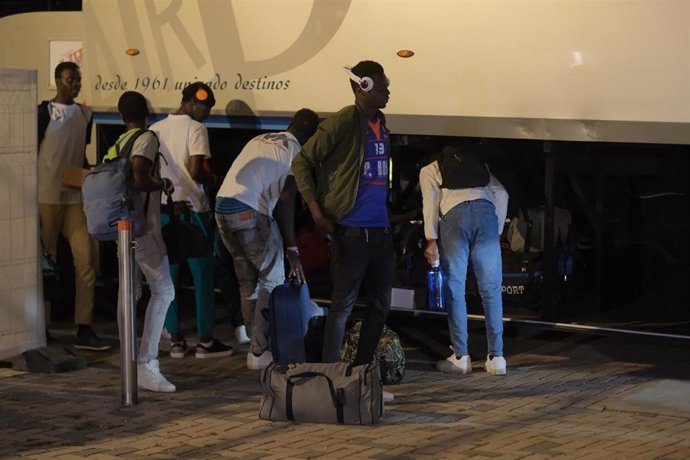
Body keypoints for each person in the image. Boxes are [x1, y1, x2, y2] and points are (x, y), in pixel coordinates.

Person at [291, 61, 395, 400]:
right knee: (343, 307)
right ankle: (330, 380)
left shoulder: (380, 122)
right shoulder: (345, 121)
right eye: (382, 85)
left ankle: (361, 378)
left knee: (379, 306)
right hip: (350, 231)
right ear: (363, 87)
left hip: (379, 231)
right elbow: (301, 161)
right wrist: (316, 211)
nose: (389, 90)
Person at [215, 109, 320, 370]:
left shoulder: (260, 139)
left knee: (247, 280)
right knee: (271, 278)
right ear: (311, 137)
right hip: (251, 212)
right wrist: (292, 246)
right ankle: (259, 351)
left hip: (222, 208)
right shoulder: (297, 152)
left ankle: (255, 345)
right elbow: (286, 199)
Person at [150, 82, 233, 359]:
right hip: (193, 210)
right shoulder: (197, 129)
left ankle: (176, 341)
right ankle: (206, 341)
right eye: (206, 106)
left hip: (164, 208)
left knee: (169, 277)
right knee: (202, 276)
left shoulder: (155, 129)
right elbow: (197, 170)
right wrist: (214, 180)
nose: (207, 112)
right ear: (192, 102)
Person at [37, 61, 110, 351]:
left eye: (77, 80)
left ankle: (84, 326)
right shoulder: (43, 113)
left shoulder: (85, 113)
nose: (74, 84)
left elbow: (79, 153)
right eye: (69, 79)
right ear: (57, 80)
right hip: (46, 197)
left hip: (74, 197)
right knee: (46, 264)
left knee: (86, 262)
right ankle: (40, 327)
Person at [419, 143, 509, 375]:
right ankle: (497, 358)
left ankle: (461, 357)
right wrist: (496, 230)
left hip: (454, 216)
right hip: (487, 213)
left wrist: (431, 238)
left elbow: (430, 199)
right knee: (491, 290)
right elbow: (502, 194)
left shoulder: (430, 169)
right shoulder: (479, 167)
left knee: (455, 287)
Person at [108, 91, 177, 391]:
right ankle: (147, 364)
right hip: (144, 230)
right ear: (146, 112)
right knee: (164, 291)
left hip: (122, 230)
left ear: (122, 116)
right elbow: (139, 177)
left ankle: (129, 358)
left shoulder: (117, 144)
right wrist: (163, 183)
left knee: (130, 292)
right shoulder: (146, 139)